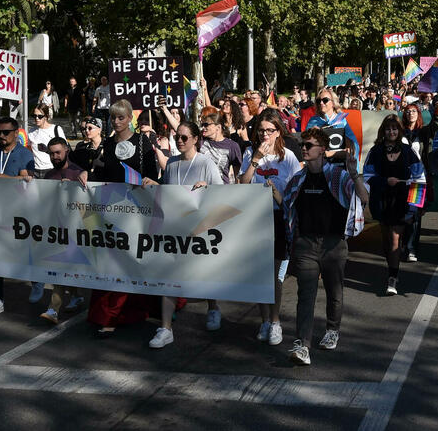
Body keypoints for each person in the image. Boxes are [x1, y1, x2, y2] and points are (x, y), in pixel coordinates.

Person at [285, 127, 368, 365]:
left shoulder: (337, 176)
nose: (303, 148)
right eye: (302, 145)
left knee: (334, 290)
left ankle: (332, 329)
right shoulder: (298, 179)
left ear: (322, 150)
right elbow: (287, 205)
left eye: (308, 145)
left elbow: (363, 198)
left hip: (334, 243)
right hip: (306, 244)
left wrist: (354, 175)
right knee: (306, 295)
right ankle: (302, 345)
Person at [148, 122, 225, 349]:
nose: (179, 141)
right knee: (169, 276)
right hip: (174, 229)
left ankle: (213, 308)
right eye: (177, 137)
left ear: (194, 139)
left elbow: (222, 190)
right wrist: (155, 184)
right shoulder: (171, 163)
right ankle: (165, 328)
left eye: (184, 137)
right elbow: (167, 189)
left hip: (199, 229)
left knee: (206, 273)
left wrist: (207, 188)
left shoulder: (205, 163)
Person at [88, 100, 159, 336]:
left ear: (130, 118)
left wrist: (146, 181)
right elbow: (99, 173)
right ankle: (109, 314)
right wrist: (83, 174)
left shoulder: (142, 142)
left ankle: (120, 314)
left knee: (131, 260)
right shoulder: (107, 144)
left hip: (137, 209)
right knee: (113, 261)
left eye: (121, 118)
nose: (116, 122)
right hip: (111, 209)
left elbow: (152, 174)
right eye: (113, 118)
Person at [240, 110, 301, 346]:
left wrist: (277, 196)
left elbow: (295, 191)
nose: (265, 134)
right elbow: (243, 184)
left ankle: (275, 322)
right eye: (262, 130)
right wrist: (255, 159)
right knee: (260, 274)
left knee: (274, 275)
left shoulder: (288, 157)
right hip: (255, 218)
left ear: (279, 131)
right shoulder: (249, 153)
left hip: (278, 218)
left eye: (270, 130)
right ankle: (264, 320)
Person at [0, 117, 36, 318]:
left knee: (25, 252)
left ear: (16, 132)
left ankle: (37, 281)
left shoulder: (24, 154)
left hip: (20, 213)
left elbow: (27, 181)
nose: (1, 136)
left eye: (5, 132)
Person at [364, 114, 425, 295]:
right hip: (382, 200)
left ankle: (393, 277)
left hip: (402, 200)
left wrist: (416, 208)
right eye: (388, 128)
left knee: (394, 239)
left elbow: (419, 179)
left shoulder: (408, 151)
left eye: (395, 128)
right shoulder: (375, 151)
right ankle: (392, 265)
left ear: (399, 131)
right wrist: (384, 181)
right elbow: (368, 176)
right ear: (384, 131)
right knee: (386, 240)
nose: (391, 131)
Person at [38, 137, 88, 324]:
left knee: (60, 269)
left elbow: (89, 202)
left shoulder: (78, 172)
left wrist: (74, 188)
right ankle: (77, 295)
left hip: (76, 232)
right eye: (51, 153)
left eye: (58, 152)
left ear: (67, 150)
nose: (55, 156)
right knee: (65, 269)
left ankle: (53, 309)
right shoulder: (49, 175)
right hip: (56, 231)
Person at [400, 100, 438, 262]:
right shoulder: (398, 132)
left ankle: (411, 248)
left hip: (419, 180)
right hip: (402, 180)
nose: (410, 113)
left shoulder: (424, 132)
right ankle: (402, 245)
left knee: (415, 215)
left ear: (418, 115)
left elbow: (437, 124)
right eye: (408, 111)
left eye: (414, 111)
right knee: (402, 213)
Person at [306, 87, 359, 159]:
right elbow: (306, 145)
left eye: (325, 100)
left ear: (333, 103)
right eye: (319, 101)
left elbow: (354, 146)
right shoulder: (313, 121)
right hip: (320, 164)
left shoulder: (342, 120)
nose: (321, 103)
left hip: (340, 163)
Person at [198, 112, 243, 183]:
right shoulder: (200, 142)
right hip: (201, 189)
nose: (203, 128)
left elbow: (237, 174)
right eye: (202, 125)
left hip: (221, 189)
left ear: (218, 127)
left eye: (206, 125)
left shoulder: (232, 146)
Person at [27, 104, 65, 174]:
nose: (37, 118)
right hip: (35, 171)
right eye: (34, 116)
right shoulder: (31, 132)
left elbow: (65, 150)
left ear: (46, 116)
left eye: (40, 116)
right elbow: (29, 151)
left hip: (52, 169)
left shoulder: (56, 129)